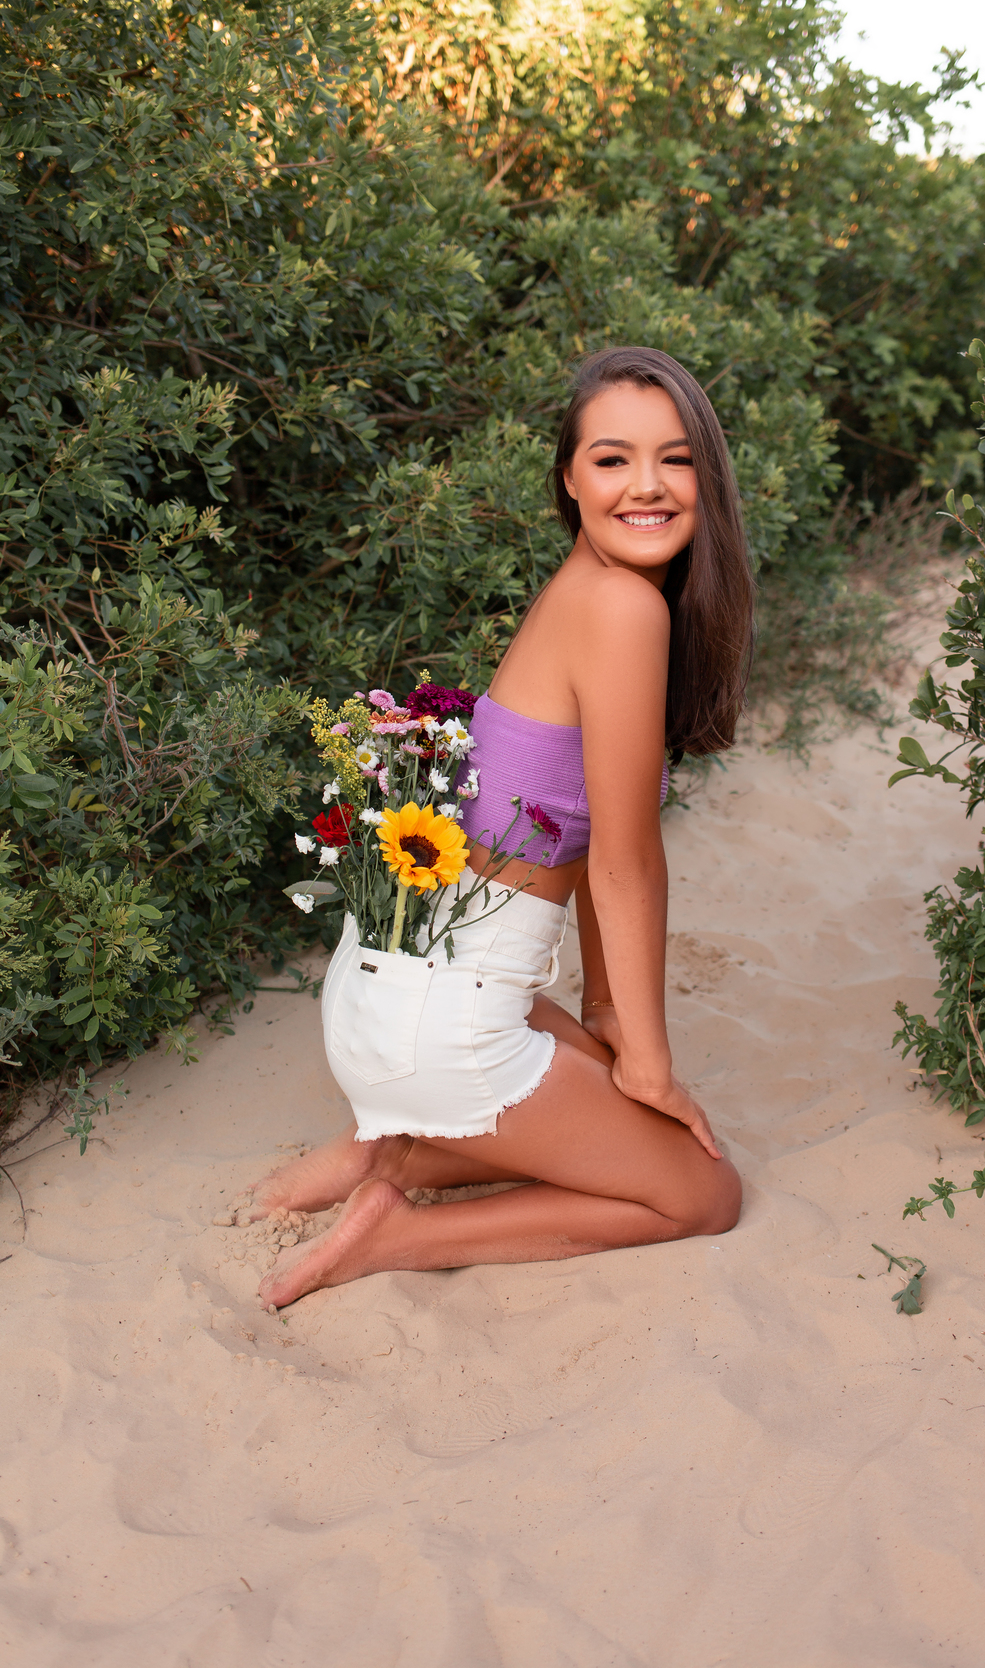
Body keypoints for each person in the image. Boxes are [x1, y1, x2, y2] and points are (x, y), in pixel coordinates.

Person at [249, 345, 755, 1309]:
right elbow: (626, 868)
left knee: (599, 1076)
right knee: (703, 1192)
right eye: (613, 459)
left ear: (708, 477)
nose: (647, 485)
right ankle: (395, 1231)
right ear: (569, 479)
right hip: (447, 1021)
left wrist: (611, 1019)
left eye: (676, 458)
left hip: (391, 984)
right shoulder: (621, 609)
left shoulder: (582, 594)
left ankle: (387, 1147)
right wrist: (648, 1063)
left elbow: (612, 841)